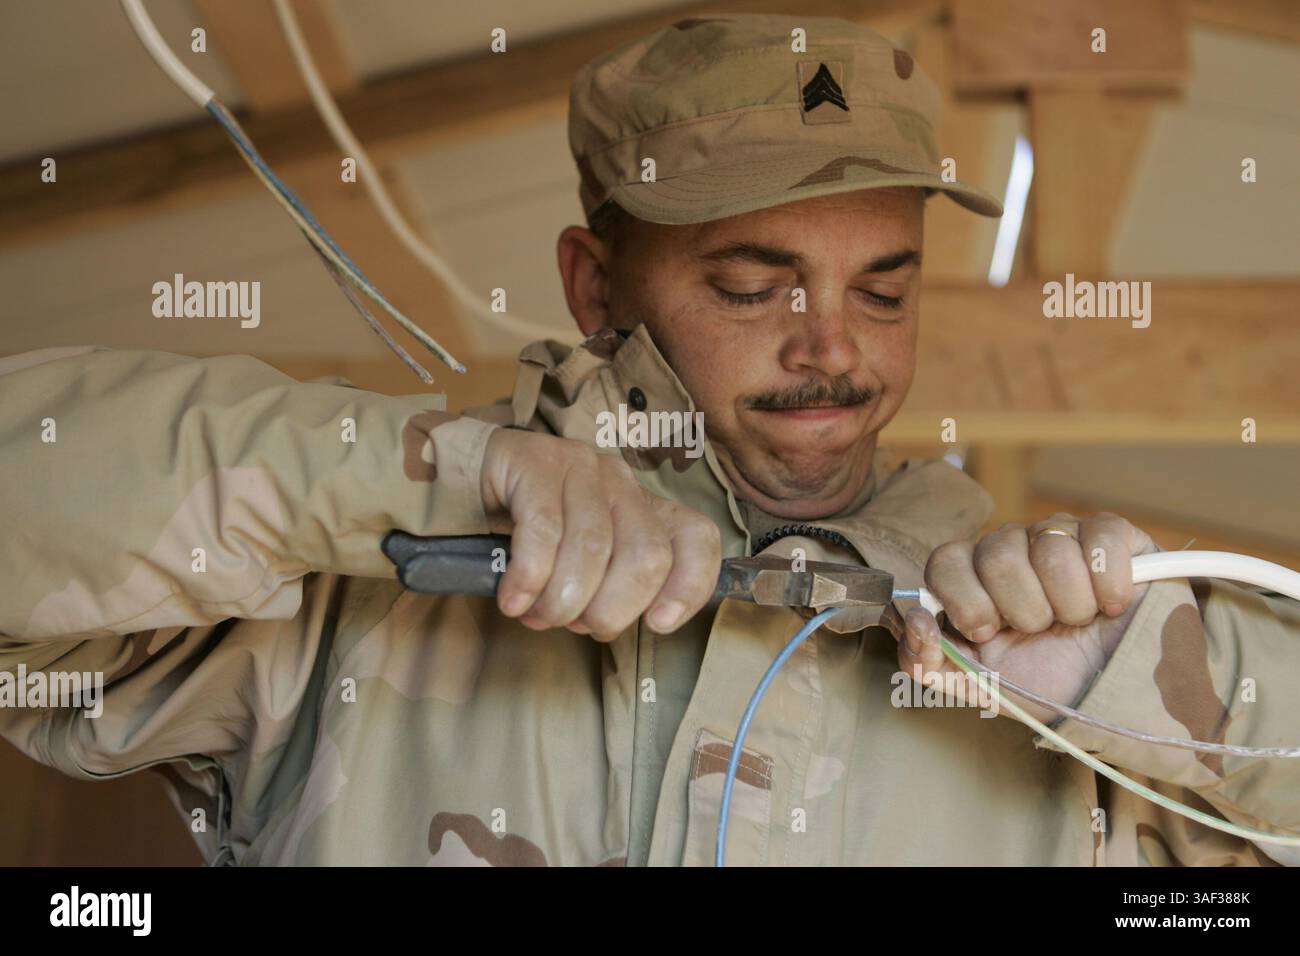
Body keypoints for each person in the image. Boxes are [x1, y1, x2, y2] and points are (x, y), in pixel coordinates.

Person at [1, 13, 1296, 866]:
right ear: (593, 285)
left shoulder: (1049, 671)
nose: (832, 349)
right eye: (751, 288)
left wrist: (1151, 671)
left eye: (883, 291)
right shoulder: (354, 598)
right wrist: (432, 472)